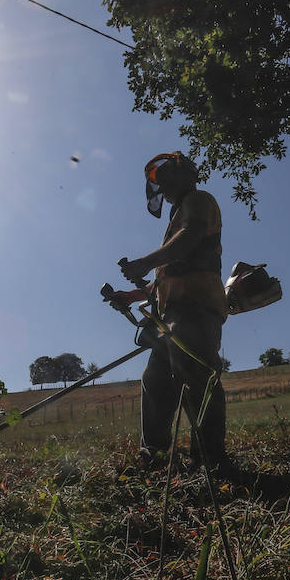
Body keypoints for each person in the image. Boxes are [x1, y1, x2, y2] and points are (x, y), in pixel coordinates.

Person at [105, 151, 230, 472]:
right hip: (170, 317)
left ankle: (211, 460)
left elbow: (190, 238)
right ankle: (155, 457)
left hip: (196, 309)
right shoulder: (176, 222)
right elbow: (166, 278)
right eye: (160, 183)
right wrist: (131, 295)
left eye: (167, 178)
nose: (165, 187)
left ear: (185, 174)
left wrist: (145, 262)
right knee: (156, 380)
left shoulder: (199, 201)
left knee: (196, 377)